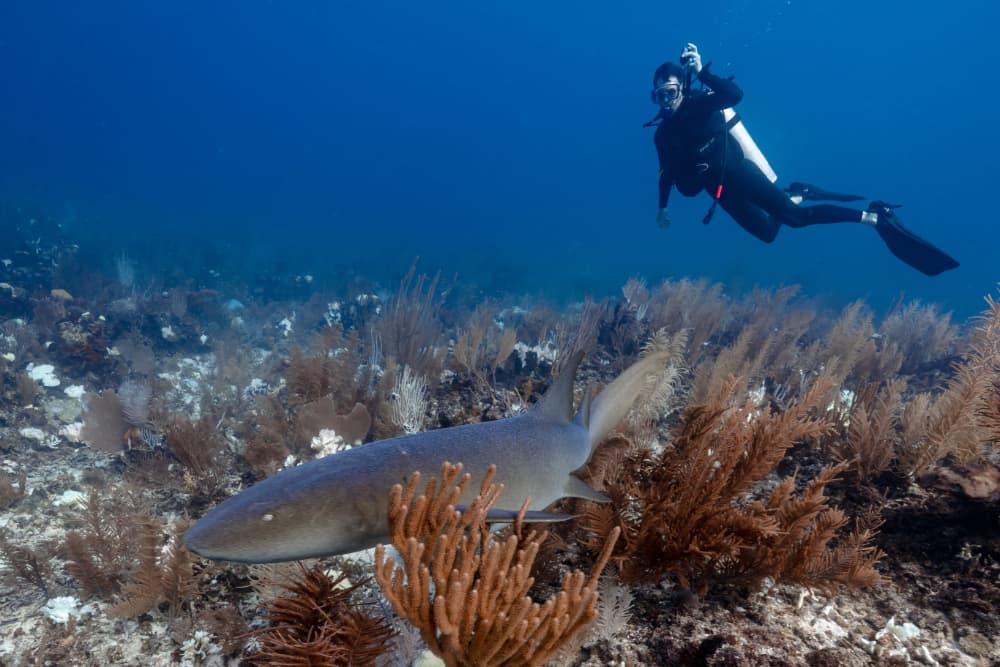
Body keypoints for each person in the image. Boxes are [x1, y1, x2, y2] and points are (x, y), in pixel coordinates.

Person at [648, 43, 958, 276]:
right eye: (659, 95)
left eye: (671, 93)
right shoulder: (662, 135)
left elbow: (734, 96)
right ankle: (798, 192)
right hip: (719, 191)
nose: (666, 102)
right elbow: (665, 173)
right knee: (768, 234)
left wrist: (702, 71)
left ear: (682, 89)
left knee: (795, 219)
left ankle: (873, 217)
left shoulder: (701, 105)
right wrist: (662, 207)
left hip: (739, 172)